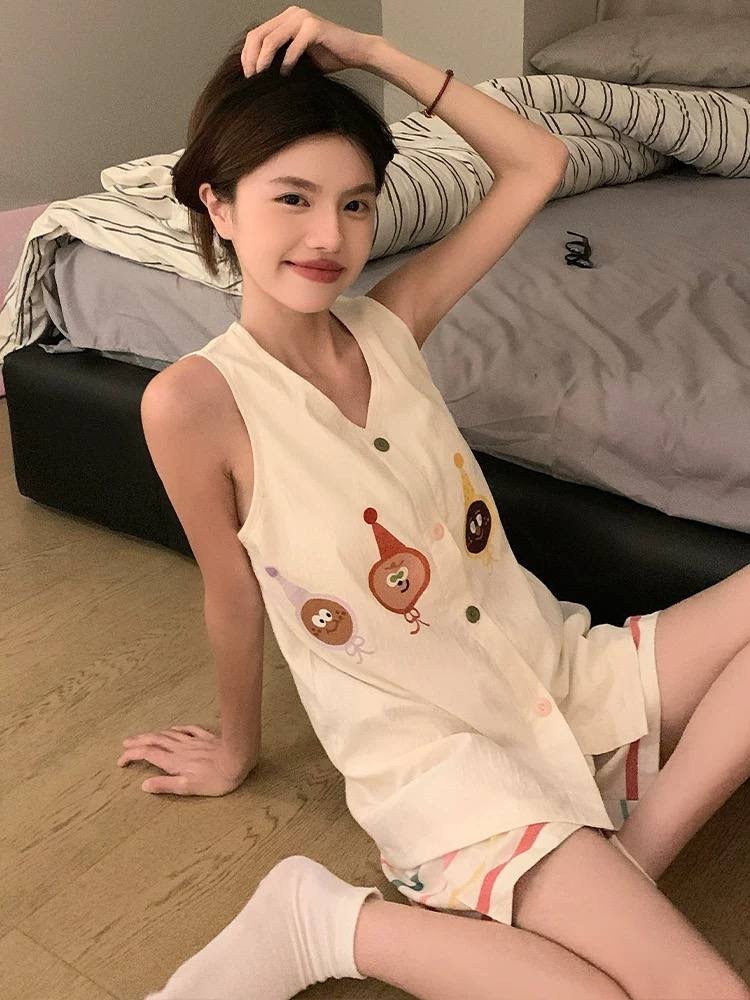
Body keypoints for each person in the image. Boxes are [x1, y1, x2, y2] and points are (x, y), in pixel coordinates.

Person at [124, 8, 750, 1000]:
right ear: (220, 205)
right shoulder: (194, 404)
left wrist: (374, 53)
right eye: (292, 199)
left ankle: (636, 850)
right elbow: (233, 596)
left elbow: (537, 164)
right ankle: (324, 922)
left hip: (561, 673)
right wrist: (237, 751)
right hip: (442, 767)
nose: (329, 237)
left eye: (356, 204)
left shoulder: (390, 325)